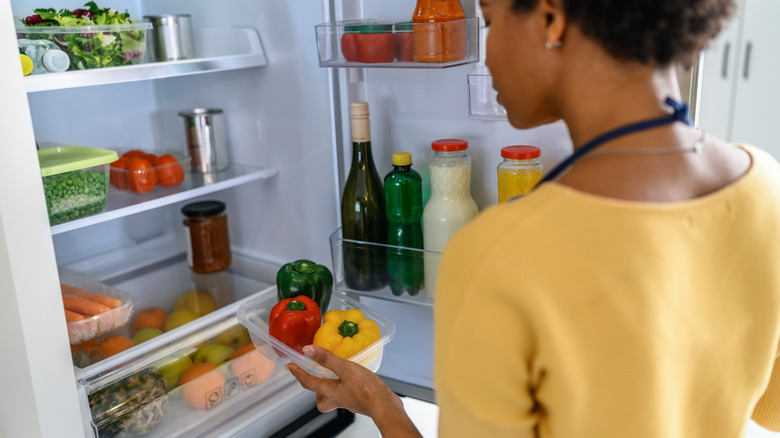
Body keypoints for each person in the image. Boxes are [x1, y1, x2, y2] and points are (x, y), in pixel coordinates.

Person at [287, 0, 780, 436]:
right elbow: (768, 406)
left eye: (491, 21)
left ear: (551, 16)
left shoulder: (500, 254)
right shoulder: (765, 186)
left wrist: (383, 406)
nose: (486, 54)